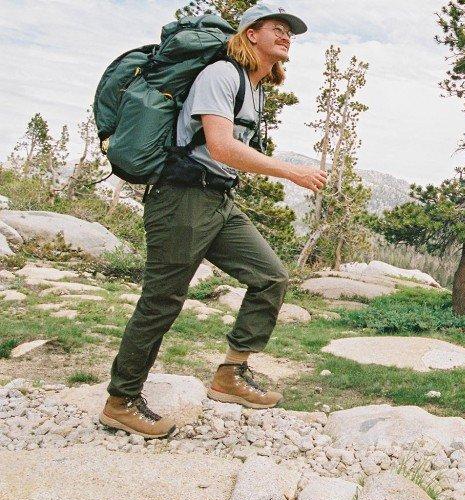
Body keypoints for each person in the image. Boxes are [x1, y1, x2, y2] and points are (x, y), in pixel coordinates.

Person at [99, 4, 328, 439]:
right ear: (251, 34)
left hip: (218, 199)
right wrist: (290, 170)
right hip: (182, 198)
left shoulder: (254, 86)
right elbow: (220, 147)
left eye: (290, 32)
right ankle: (121, 400)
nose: (286, 36)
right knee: (162, 301)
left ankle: (230, 374)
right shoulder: (221, 74)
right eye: (276, 29)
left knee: (271, 278)